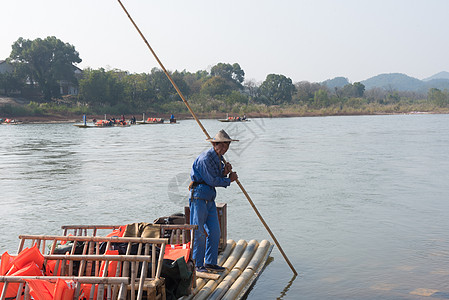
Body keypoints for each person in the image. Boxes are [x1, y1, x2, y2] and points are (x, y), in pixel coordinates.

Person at [189, 129, 238, 272]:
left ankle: (210, 262)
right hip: (199, 198)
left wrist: (225, 171)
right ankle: (198, 264)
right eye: (221, 146)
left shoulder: (217, 158)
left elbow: (217, 175)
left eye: (226, 146)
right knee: (199, 232)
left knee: (215, 232)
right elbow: (212, 180)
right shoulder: (205, 159)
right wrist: (229, 179)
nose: (224, 148)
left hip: (209, 199)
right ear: (214, 144)